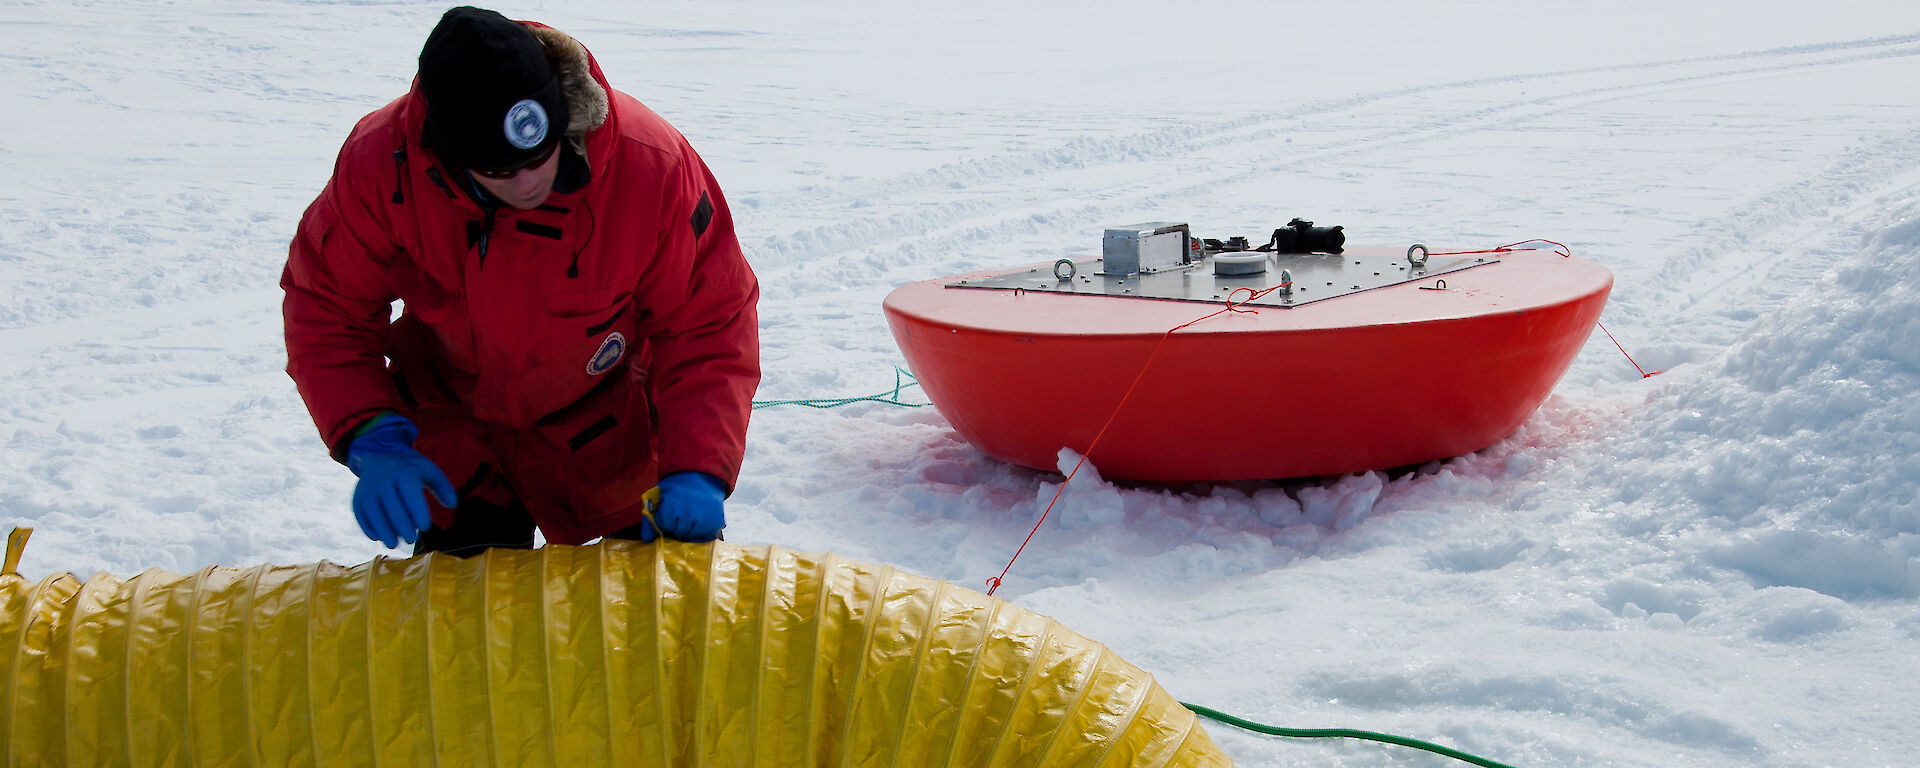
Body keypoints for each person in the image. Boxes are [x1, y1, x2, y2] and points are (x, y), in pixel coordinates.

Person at [282, 7, 760, 556]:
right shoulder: (381, 167)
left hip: (612, 433)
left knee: (653, 625)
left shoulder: (649, 167)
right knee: (468, 633)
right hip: (460, 440)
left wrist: (697, 467)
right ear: (452, 157)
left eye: (543, 155)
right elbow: (325, 306)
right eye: (503, 173)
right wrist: (370, 433)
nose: (530, 182)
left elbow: (709, 320)